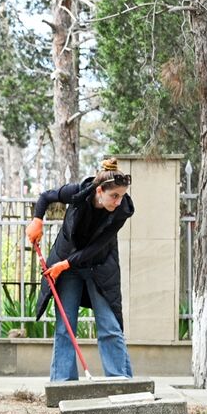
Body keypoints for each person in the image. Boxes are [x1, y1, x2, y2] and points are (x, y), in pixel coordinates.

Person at [27, 158, 135, 381]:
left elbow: (97, 246)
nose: (118, 201)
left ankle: (120, 382)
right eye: (114, 195)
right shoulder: (77, 193)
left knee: (110, 326)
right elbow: (46, 196)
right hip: (65, 265)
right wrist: (37, 220)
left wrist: (65, 265)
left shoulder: (121, 210)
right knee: (65, 326)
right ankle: (62, 384)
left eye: (122, 195)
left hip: (100, 266)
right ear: (99, 190)